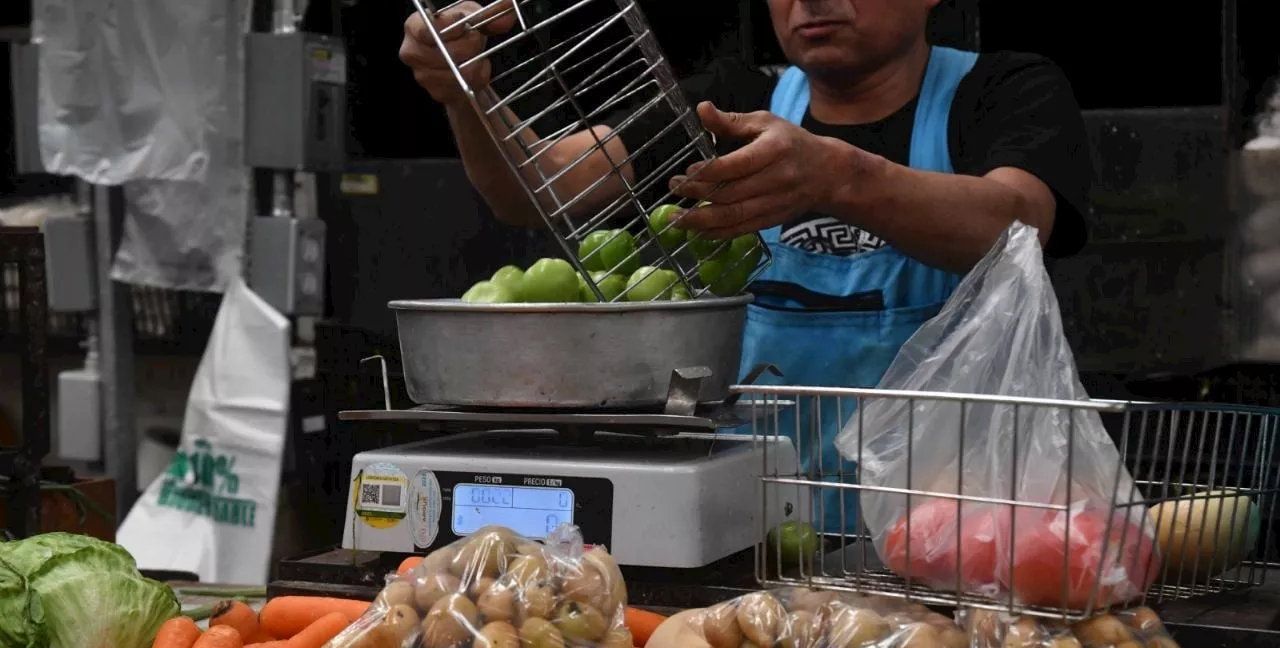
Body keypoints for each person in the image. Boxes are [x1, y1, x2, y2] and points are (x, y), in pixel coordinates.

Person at [400, 0, 1092, 531]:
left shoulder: (1003, 91)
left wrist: (839, 178)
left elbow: (1019, 222)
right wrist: (467, 93)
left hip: (955, 531)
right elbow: (543, 187)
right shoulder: (730, 105)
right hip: (754, 531)